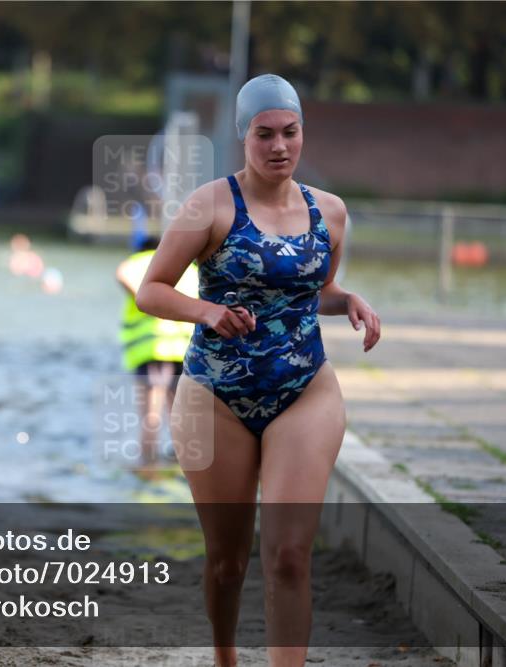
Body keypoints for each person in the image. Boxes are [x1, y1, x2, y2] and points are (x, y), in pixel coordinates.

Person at [136, 75, 381, 667]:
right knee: (227, 560)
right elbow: (151, 291)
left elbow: (312, 288)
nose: (279, 146)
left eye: (290, 133)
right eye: (264, 134)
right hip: (214, 393)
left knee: (290, 555)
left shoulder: (332, 212)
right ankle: (225, 656)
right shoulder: (210, 205)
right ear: (242, 136)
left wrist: (346, 300)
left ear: (302, 133)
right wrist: (208, 311)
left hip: (304, 390)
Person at [116, 236, 198, 472]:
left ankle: (148, 465)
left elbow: (122, 273)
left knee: (150, 416)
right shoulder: (190, 269)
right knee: (179, 414)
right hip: (184, 351)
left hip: (153, 349)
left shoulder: (141, 261)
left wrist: (147, 299)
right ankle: (182, 466)